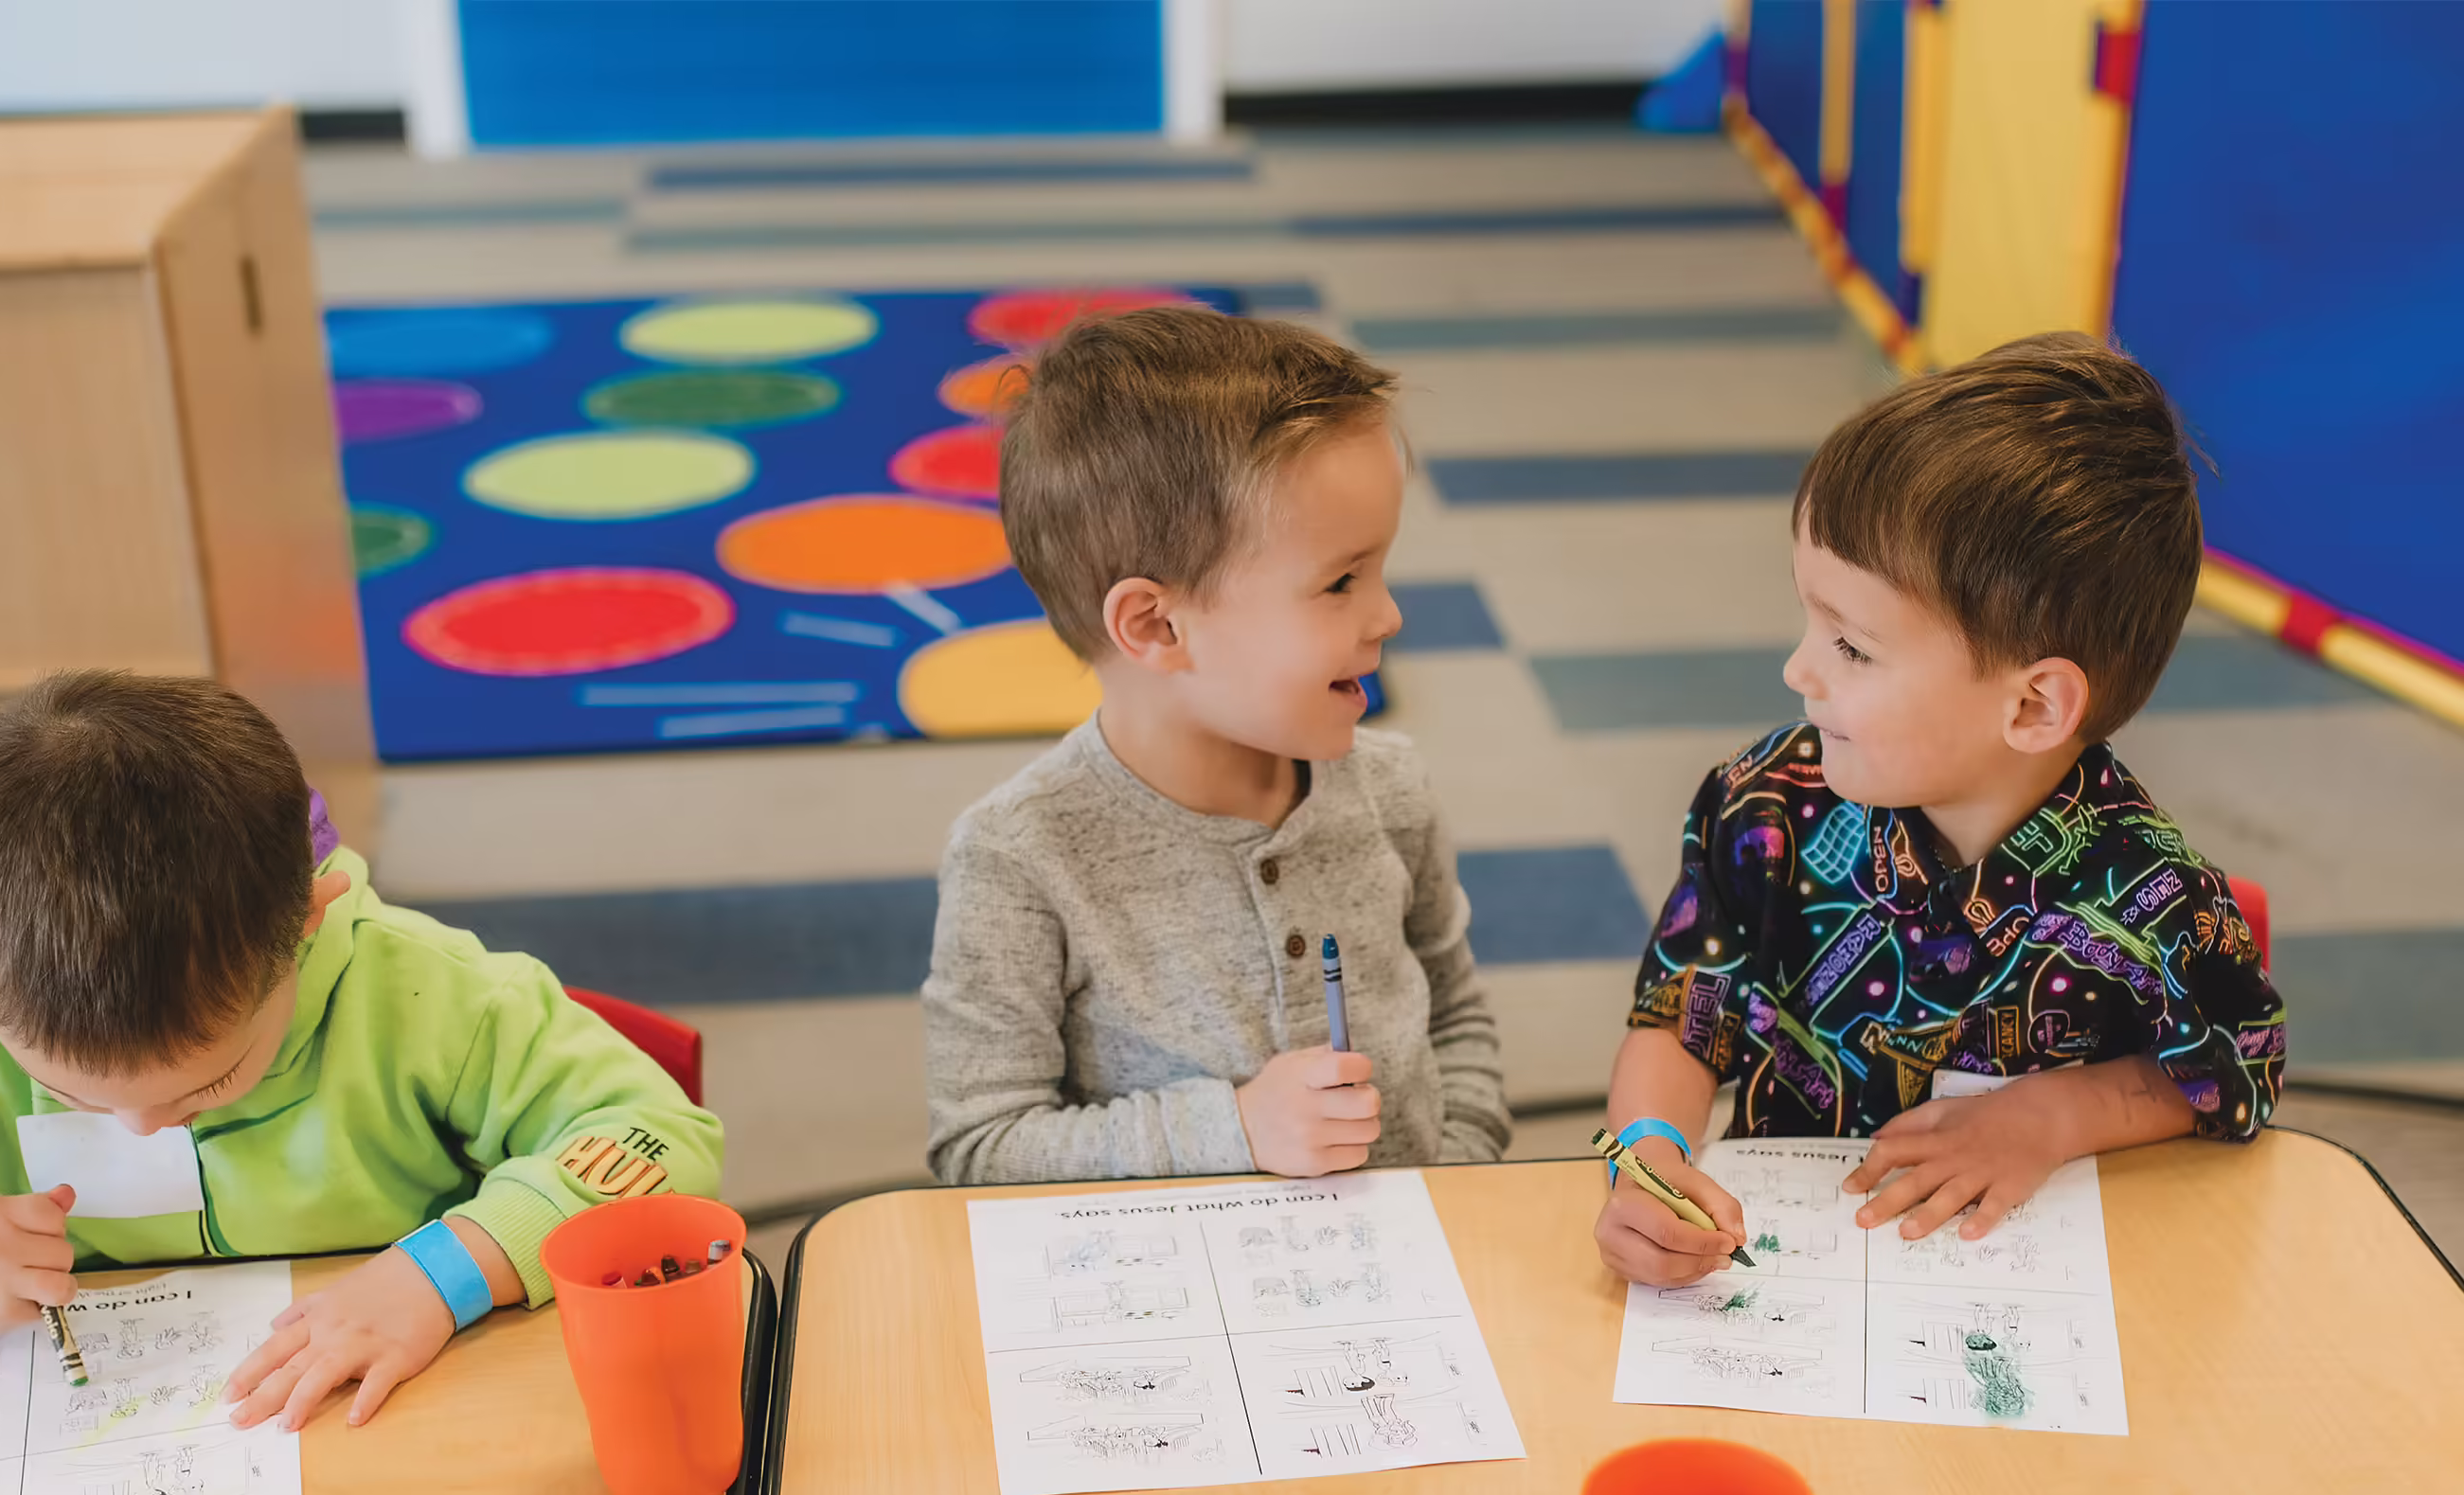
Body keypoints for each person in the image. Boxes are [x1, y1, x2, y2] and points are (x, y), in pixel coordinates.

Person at [0, 671, 722, 1427]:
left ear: (305, 924)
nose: (141, 1125)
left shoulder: (416, 990)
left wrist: (439, 1273)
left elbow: (653, 1133)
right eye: (66, 1087)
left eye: (209, 1078)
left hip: (401, 1416)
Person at [1596, 332, 2283, 1287]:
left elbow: (2234, 1071)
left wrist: (2049, 1116)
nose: (1799, 670)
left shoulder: (2152, 896)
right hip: (1789, 1282)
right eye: (1811, 619)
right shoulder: (1768, 806)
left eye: (1854, 648)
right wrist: (1647, 1154)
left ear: (2034, 706)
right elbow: (1681, 1015)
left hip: (2020, 1301)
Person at [924, 306, 1510, 1184]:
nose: (1388, 615)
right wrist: (1234, 1129)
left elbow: (1456, 1021)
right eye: (1342, 581)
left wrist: (1455, 1173)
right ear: (1157, 624)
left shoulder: (1389, 789)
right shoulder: (1019, 857)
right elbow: (981, 1145)